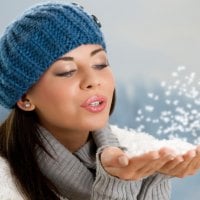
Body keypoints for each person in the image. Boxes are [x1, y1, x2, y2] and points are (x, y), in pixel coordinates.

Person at [0, 2, 200, 200]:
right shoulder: (4, 182)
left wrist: (153, 180)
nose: (93, 81)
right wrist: (116, 184)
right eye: (67, 71)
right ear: (25, 98)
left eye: (100, 64)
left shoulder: (137, 150)